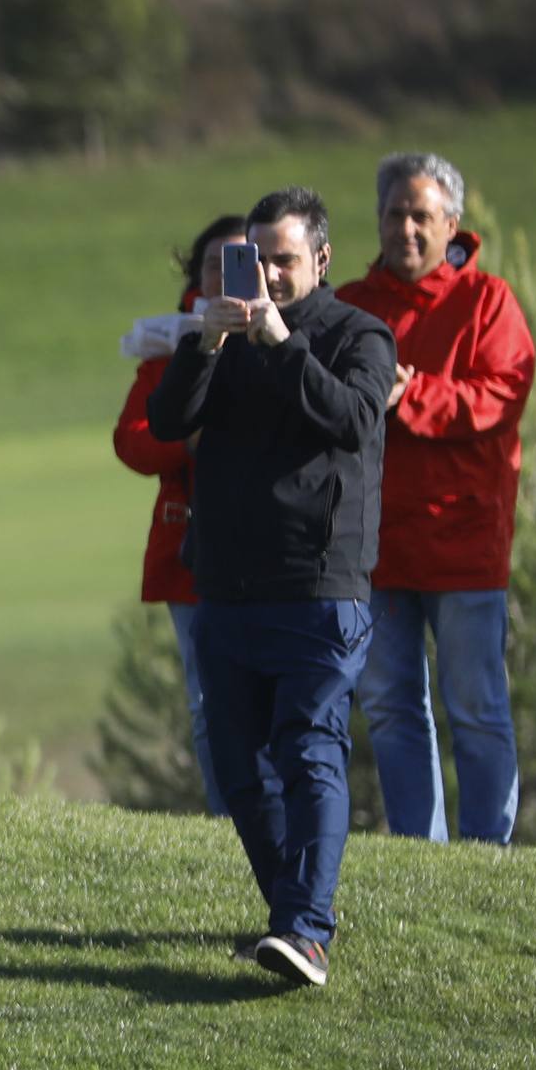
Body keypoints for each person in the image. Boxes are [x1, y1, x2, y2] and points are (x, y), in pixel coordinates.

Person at [146, 186, 396, 987]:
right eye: (255, 259)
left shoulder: (359, 334)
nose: (267, 275)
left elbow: (355, 420)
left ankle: (304, 930)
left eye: (283, 260)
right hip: (224, 584)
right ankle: (292, 913)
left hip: (318, 587)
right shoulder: (221, 337)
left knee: (308, 749)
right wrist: (204, 344)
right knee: (235, 767)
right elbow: (163, 421)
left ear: (319, 261)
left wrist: (281, 339)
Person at [335, 153, 536, 843]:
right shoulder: (353, 308)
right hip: (375, 545)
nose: (406, 229)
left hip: (463, 543)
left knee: (476, 707)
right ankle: (421, 853)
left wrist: (409, 394)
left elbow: (500, 397)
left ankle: (486, 854)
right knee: (390, 707)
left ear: (450, 222)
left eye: (420, 215)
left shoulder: (488, 302)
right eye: (394, 214)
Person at [114, 215, 250, 816]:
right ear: (194, 274)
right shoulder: (168, 345)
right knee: (207, 701)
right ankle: (230, 824)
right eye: (215, 263)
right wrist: (193, 439)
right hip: (189, 550)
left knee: (276, 704)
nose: (227, 273)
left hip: (277, 549)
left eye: (241, 260)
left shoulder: (292, 335)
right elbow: (133, 442)